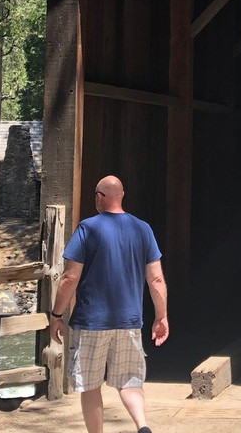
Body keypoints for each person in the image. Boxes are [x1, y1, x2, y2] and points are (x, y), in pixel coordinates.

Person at [50, 175, 169, 433]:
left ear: (99, 197)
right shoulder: (142, 229)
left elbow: (69, 278)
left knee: (91, 385)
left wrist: (57, 313)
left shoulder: (88, 228)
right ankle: (143, 426)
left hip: (92, 321)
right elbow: (156, 279)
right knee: (129, 381)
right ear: (122, 195)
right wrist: (161, 316)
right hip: (129, 321)